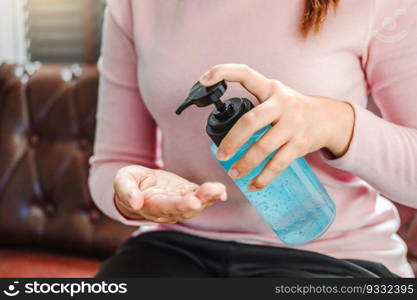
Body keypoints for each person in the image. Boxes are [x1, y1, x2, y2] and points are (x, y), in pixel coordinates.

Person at [89, 0, 417, 277]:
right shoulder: (134, 5)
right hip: (176, 246)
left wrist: (336, 123)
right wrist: (131, 198)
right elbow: (112, 162)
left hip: (336, 253)